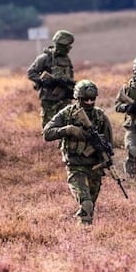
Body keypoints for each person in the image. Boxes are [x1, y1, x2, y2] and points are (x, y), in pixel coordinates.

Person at [43, 80, 113, 225]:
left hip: (95, 168)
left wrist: (105, 154)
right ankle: (83, 236)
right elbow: (47, 133)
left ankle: (84, 237)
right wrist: (68, 130)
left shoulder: (100, 116)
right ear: (77, 98)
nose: (89, 102)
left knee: (90, 206)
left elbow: (109, 143)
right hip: (75, 167)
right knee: (86, 204)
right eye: (85, 99)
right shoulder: (67, 113)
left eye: (92, 99)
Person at [27, 30, 76, 126]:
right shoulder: (44, 58)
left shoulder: (66, 60)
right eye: (67, 47)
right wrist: (44, 81)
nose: (69, 49)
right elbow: (31, 73)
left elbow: (69, 76)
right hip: (49, 98)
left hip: (65, 97)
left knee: (67, 123)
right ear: (61, 46)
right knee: (49, 125)